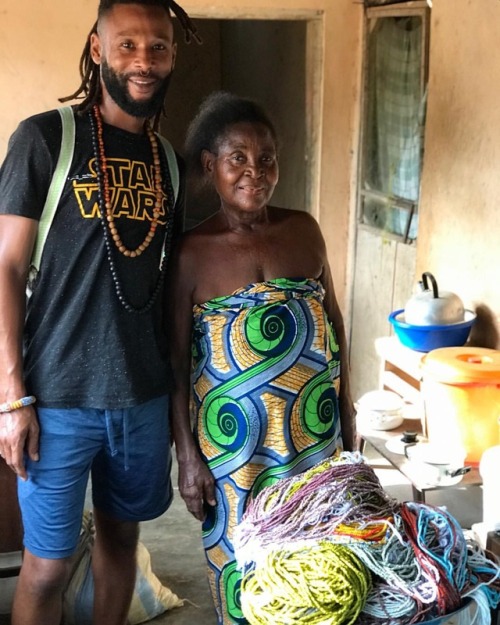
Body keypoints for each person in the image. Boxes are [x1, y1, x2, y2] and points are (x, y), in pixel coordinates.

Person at [0, 2, 199, 624]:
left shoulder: (168, 161)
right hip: (55, 398)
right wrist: (11, 396)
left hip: (140, 398)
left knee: (121, 542)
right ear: (96, 49)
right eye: (128, 45)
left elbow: (168, 286)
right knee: (47, 567)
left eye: (158, 47)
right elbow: (5, 267)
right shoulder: (46, 139)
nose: (144, 61)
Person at [169, 91, 357, 625]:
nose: (256, 171)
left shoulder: (304, 230)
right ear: (211, 166)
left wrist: (347, 411)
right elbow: (176, 363)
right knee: (244, 562)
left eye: (267, 158)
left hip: (313, 436)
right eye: (238, 159)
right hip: (234, 449)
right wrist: (186, 456)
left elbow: (336, 326)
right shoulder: (190, 252)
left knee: (319, 561)